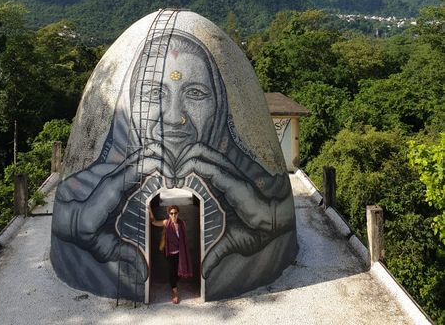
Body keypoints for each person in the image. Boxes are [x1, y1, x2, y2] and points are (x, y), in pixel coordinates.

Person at [51, 27, 296, 301]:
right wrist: (74, 221)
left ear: (220, 110)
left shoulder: (263, 191)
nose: (174, 117)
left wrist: (272, 218)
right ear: (129, 106)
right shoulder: (82, 193)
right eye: (155, 94)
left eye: (195, 93)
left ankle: (176, 289)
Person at [149, 204, 192, 304]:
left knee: (179, 272)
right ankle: (175, 292)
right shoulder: (166, 222)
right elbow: (154, 222)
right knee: (172, 272)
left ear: (178, 213)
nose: (173, 215)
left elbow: (184, 240)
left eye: (175, 213)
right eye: (171, 213)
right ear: (168, 214)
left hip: (180, 253)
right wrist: (150, 210)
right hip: (169, 252)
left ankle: (174, 284)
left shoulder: (182, 224)